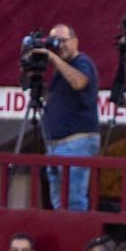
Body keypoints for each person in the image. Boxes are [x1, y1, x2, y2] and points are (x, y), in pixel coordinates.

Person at [39, 24, 99, 211]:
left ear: (75, 41)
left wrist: (53, 58)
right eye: (55, 43)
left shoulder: (83, 62)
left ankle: (76, 238)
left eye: (63, 41)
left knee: (73, 200)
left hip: (76, 142)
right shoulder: (60, 70)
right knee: (59, 202)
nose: (59, 46)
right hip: (56, 145)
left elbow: (79, 82)